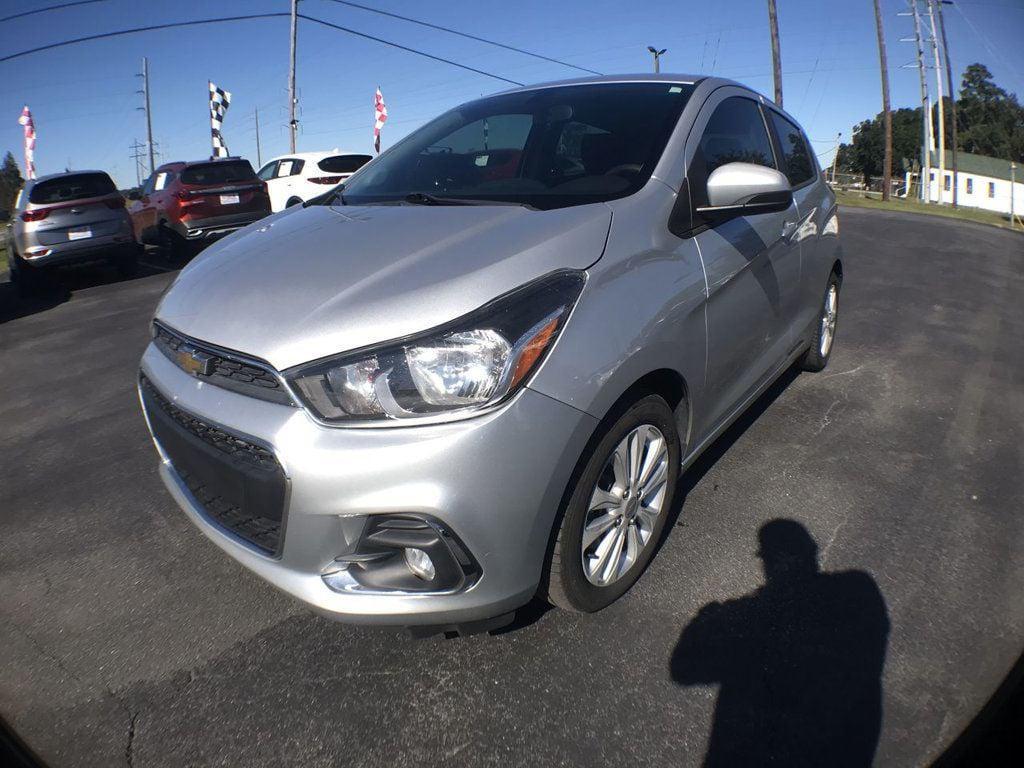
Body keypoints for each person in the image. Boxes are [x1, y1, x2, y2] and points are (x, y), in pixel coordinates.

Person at [670, 519, 889, 767]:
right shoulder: (857, 586)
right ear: (811, 550)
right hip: (846, 744)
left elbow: (682, 669)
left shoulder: (759, 613)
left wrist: (709, 615)